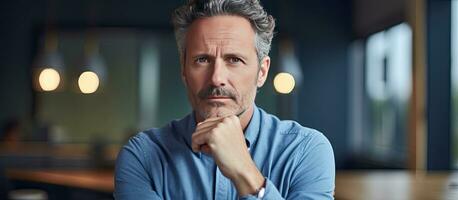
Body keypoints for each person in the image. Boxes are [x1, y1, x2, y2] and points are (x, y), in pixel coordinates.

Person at [114, 0, 335, 199]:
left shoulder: (306, 151)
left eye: (234, 59)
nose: (217, 78)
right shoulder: (141, 157)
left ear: (262, 72)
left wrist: (245, 173)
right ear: (183, 69)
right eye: (202, 59)